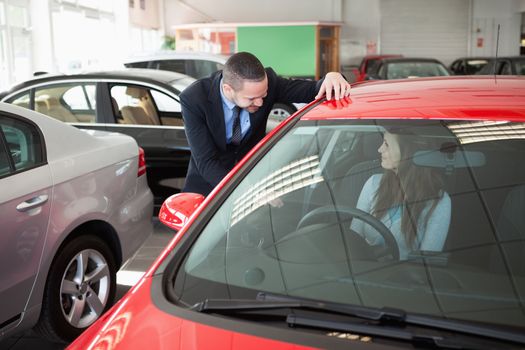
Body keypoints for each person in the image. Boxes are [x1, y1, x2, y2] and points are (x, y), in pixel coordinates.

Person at [180, 51, 351, 196]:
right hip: (209, 190)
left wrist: (333, 76)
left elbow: (312, 90)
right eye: (252, 98)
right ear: (228, 89)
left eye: (264, 95)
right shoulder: (194, 99)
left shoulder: (268, 82)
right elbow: (207, 162)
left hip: (256, 185)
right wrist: (249, 192)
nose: (261, 103)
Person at [351, 128, 451, 260]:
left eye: (386, 144)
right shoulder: (373, 184)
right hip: (364, 272)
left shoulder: (438, 201)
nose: (380, 149)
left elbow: (427, 263)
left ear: (408, 151)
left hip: (404, 278)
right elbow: (352, 239)